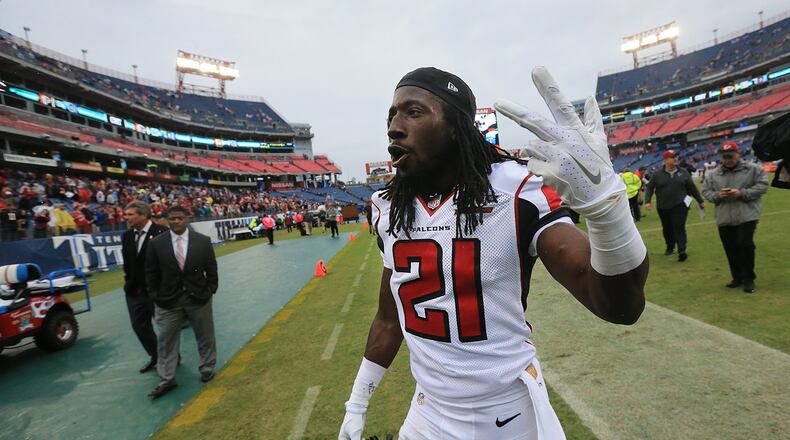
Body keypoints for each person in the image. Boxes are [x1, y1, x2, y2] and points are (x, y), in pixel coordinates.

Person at [338, 67, 648, 440]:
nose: (394, 127)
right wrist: (356, 404)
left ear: (456, 126)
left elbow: (619, 307)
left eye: (413, 112)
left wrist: (608, 214)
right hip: (427, 415)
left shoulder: (516, 190)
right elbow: (389, 320)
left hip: (507, 415)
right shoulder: (389, 207)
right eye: (392, 115)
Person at [145, 206, 219, 399]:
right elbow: (150, 273)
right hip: (168, 301)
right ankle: (167, 378)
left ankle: (207, 367)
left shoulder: (202, 241)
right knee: (166, 340)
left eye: (179, 218)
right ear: (167, 220)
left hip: (199, 297)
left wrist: (211, 288)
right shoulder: (156, 244)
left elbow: (211, 267)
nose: (175, 221)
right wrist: (155, 296)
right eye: (172, 218)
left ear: (187, 218)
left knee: (205, 335)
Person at [701, 142, 768, 293]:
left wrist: (742, 193)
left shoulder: (753, 169)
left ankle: (749, 278)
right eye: (725, 157)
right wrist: (718, 195)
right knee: (730, 248)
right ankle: (737, 277)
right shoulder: (714, 174)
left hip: (747, 215)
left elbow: (763, 185)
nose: (728, 159)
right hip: (724, 217)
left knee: (745, 244)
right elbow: (706, 191)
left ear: (738, 154)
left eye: (730, 156)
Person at [121, 201, 169, 373]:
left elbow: (167, 263)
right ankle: (156, 356)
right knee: (139, 326)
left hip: (156, 291)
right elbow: (128, 263)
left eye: (130, 214)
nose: (126, 218)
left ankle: (171, 358)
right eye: (126, 214)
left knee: (165, 327)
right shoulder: (126, 236)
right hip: (134, 292)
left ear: (143, 215)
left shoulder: (162, 232)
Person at [644, 150, 705, 262]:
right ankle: (670, 246)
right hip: (663, 206)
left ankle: (682, 250)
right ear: (666, 160)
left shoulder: (684, 172)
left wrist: (700, 200)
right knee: (667, 228)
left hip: (680, 205)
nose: (675, 159)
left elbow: (692, 187)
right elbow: (649, 188)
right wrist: (647, 201)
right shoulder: (657, 174)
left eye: (676, 157)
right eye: (672, 157)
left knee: (679, 226)